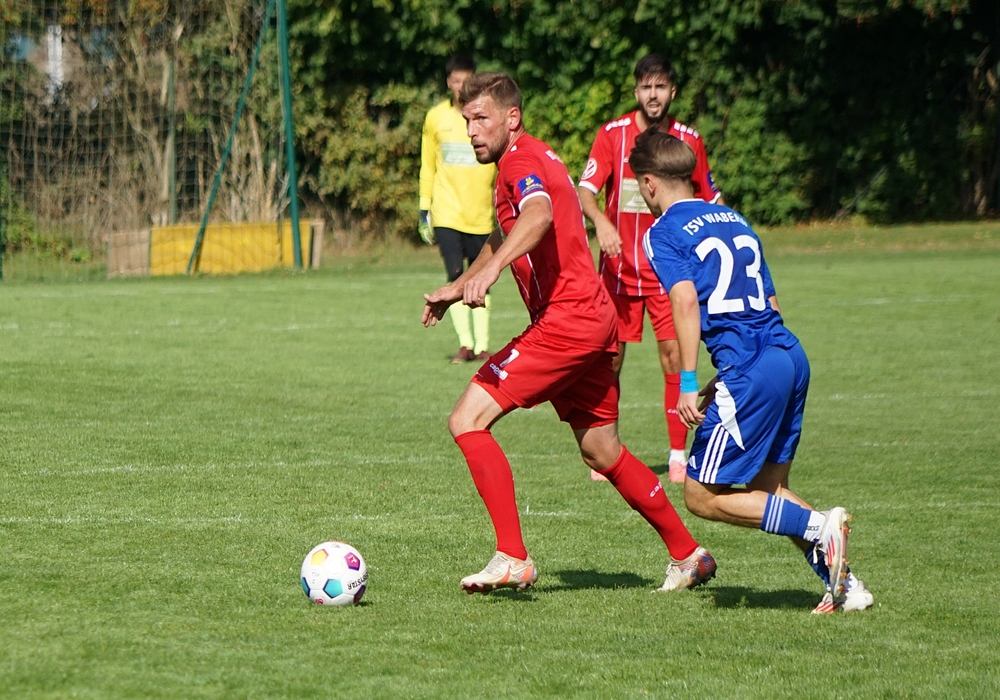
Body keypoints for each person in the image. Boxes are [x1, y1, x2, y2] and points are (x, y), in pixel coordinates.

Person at [421, 72, 716, 594]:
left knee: (467, 419)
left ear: (512, 118)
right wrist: (459, 285)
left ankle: (512, 556)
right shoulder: (535, 155)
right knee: (602, 450)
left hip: (567, 321)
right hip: (594, 319)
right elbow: (506, 231)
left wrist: (491, 274)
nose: (472, 131)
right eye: (467, 120)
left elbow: (537, 215)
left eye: (482, 118)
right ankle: (688, 554)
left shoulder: (519, 162)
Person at [631, 129, 873, 613]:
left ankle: (819, 525)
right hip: (787, 355)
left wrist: (688, 381)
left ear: (650, 183)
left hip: (750, 366)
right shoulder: (734, 219)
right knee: (769, 490)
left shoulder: (662, 232)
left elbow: (685, 301)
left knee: (700, 495)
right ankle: (849, 588)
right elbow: (770, 300)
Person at [578, 54, 722, 484]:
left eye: (660, 87)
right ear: (636, 91)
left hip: (669, 272)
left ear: (672, 92)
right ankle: (608, 452)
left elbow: (710, 199)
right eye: (646, 87)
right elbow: (584, 191)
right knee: (609, 362)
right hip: (618, 271)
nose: (653, 95)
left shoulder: (688, 140)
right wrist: (602, 223)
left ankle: (678, 455)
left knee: (675, 358)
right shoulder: (612, 135)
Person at [419, 54, 497, 363]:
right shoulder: (435, 118)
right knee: (455, 274)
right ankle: (465, 345)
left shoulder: (487, 117)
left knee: (481, 278)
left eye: (467, 80)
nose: (461, 86)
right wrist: (424, 209)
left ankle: (482, 346)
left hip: (481, 215)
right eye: (456, 81)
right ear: (448, 83)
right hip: (447, 213)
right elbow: (427, 165)